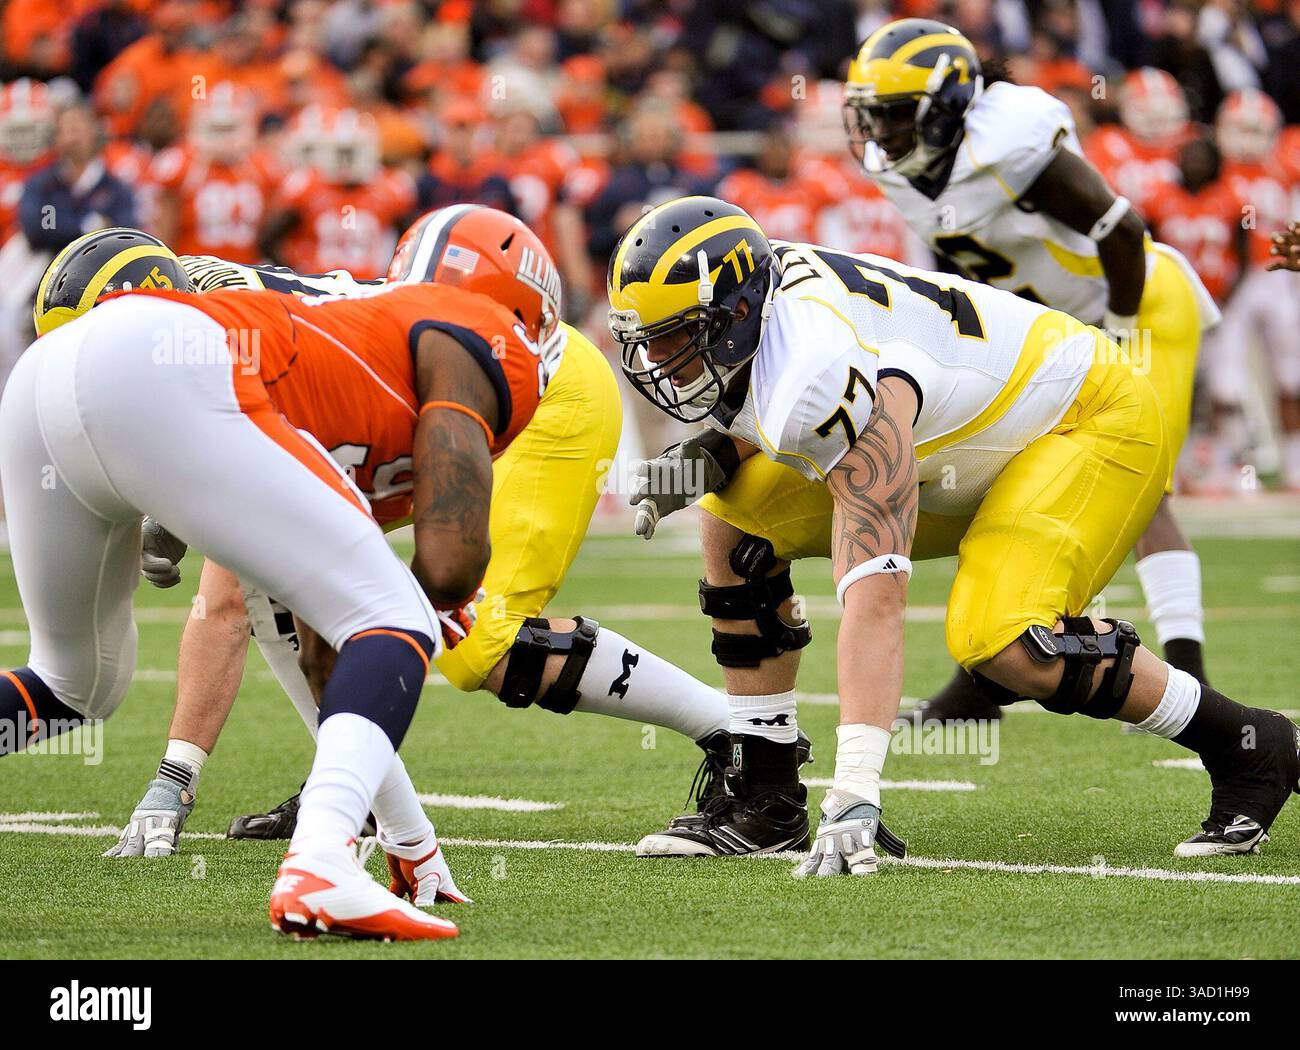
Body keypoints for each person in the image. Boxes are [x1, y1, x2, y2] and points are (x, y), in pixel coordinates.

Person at [612, 195, 1299, 867]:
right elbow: (758, 404)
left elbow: (875, 597)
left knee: (999, 638)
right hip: (964, 443)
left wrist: (855, 789)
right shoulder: (769, 315)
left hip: (1087, 418)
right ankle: (766, 799)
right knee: (732, 518)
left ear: (734, 315)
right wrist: (700, 462)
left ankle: (1248, 745)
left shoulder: (820, 373)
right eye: (649, 340)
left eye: (675, 336)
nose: (659, 360)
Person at [1, 218, 553, 940]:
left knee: (73, 685)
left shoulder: (359, 356)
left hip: (46, 372)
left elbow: (332, 654)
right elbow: (449, 562)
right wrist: (440, 604)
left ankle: (342, 857)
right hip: (161, 357)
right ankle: (320, 864)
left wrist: (411, 838)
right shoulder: (481, 330)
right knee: (405, 613)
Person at [842, 19, 1221, 719]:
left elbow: (1123, 230)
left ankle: (1179, 676)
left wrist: (1121, 332)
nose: (881, 132)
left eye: (895, 115)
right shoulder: (907, 168)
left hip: (1134, 304)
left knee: (1139, 490)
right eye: (872, 115)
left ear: (948, 107)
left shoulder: (1006, 144)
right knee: (1023, 481)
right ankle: (1003, 673)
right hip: (1059, 329)